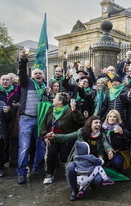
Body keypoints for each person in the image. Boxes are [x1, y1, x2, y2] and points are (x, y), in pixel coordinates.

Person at [45, 116, 115, 201]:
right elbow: (66, 137)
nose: (98, 124)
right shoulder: (81, 132)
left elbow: (106, 145)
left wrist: (110, 151)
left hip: (92, 162)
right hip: (78, 161)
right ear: (90, 124)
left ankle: (91, 183)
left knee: (97, 180)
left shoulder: (101, 136)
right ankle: (74, 190)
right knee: (70, 167)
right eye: (96, 122)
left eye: (100, 123)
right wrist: (55, 136)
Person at [17, 50, 47, 184]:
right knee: (24, 147)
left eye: (40, 73)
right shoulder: (27, 83)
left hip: (40, 121)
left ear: (43, 76)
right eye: (36, 73)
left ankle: (37, 168)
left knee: (41, 146)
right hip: (27, 119)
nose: (38, 75)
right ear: (32, 76)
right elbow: (22, 73)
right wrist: (23, 60)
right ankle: (22, 173)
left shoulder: (45, 88)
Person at [41, 92, 84, 184]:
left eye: (55, 98)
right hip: (52, 138)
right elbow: (44, 123)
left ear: (60, 101)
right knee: (51, 154)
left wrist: (75, 111)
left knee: (64, 158)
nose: (53, 99)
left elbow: (80, 121)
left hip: (66, 139)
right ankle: (49, 174)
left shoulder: (69, 110)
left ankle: (72, 172)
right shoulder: (51, 109)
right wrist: (45, 136)